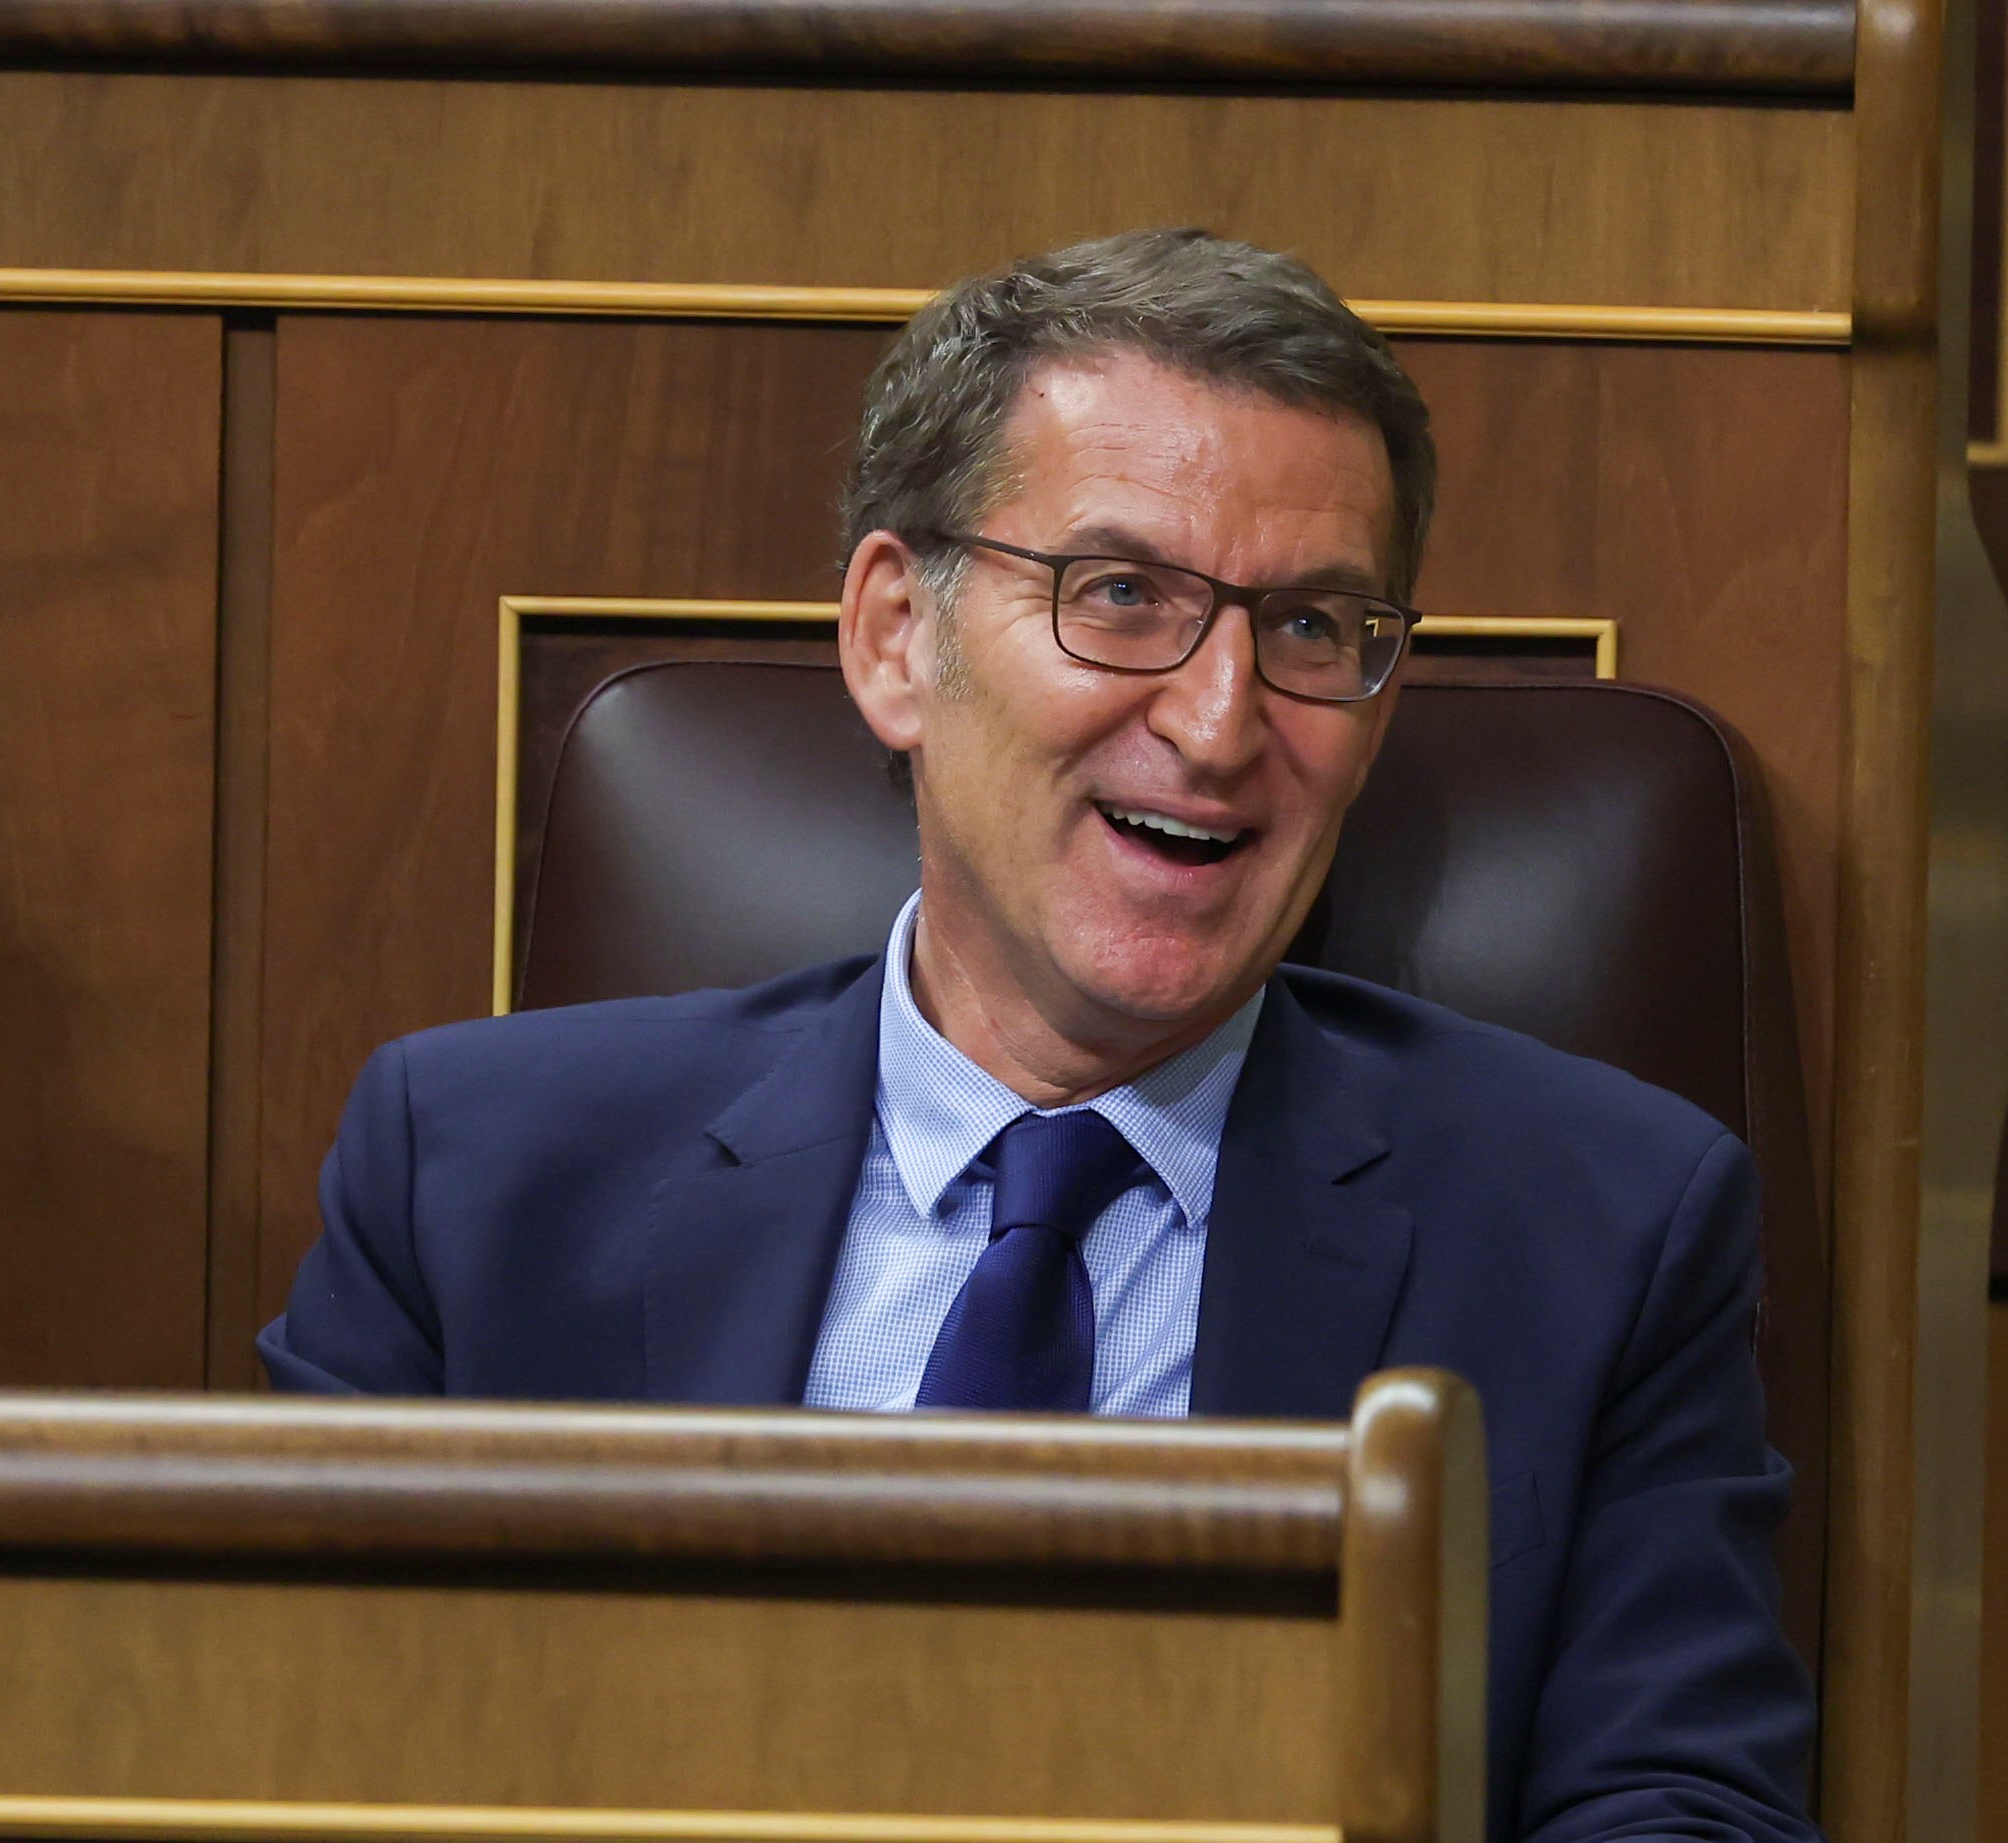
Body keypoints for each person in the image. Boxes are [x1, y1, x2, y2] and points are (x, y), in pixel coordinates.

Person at [259, 230, 1816, 1841]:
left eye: (1310, 630)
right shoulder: (470, 1176)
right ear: (892, 636)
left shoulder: (1601, 1227)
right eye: (1120, 593)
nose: (1218, 723)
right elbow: (266, 1755)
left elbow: (1677, 1803)